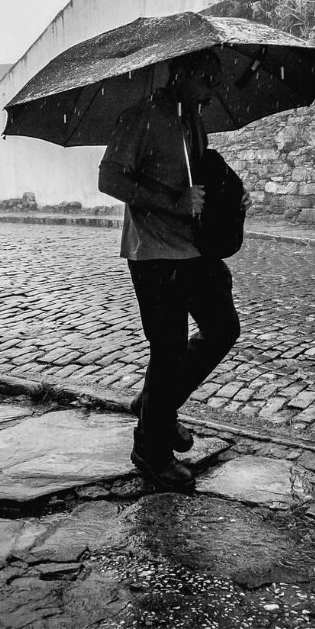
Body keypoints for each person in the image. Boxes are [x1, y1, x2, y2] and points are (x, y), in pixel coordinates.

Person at [98, 55, 247, 490]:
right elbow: (110, 180)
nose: (210, 91)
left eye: (214, 83)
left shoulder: (192, 121)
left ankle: (154, 406)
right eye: (205, 80)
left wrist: (228, 197)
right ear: (180, 75)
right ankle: (151, 449)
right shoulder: (140, 117)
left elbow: (199, 178)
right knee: (169, 349)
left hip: (193, 249)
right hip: (155, 253)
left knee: (223, 327)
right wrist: (174, 201)